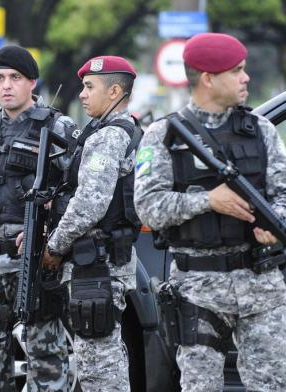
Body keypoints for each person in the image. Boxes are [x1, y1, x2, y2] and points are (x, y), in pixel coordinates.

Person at [134, 32, 286, 391]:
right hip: (198, 287)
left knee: (272, 385)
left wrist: (275, 224)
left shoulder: (261, 130)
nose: (246, 78)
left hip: (260, 283)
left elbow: (284, 194)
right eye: (237, 71)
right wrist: (207, 200)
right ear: (208, 78)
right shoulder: (164, 136)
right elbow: (148, 207)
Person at [0, 45, 78, 391]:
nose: (6, 85)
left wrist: (50, 233)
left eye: (15, 78)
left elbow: (76, 195)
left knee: (46, 356)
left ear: (31, 82)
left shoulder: (58, 127)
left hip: (33, 262)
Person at [41, 56, 142, 391]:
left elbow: (89, 205)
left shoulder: (107, 136)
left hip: (96, 267)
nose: (82, 94)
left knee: (98, 366)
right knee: (107, 356)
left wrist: (54, 245)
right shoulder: (125, 130)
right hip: (106, 263)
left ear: (114, 91)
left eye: (89, 87)